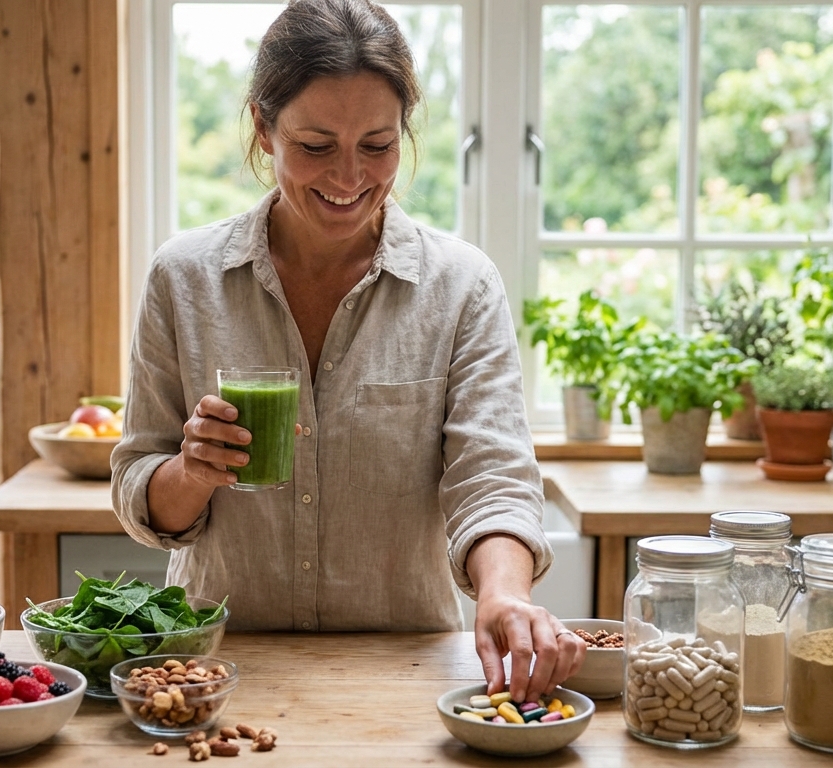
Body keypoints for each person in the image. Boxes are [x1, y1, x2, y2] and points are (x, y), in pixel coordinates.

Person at [111, 0, 584, 702]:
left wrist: (504, 595)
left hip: (409, 678)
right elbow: (140, 494)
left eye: (377, 144)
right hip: (218, 678)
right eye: (315, 146)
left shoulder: (459, 285)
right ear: (263, 130)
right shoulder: (183, 278)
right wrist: (191, 470)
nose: (348, 176)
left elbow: (492, 477)